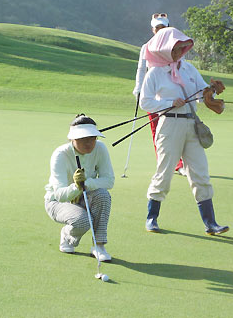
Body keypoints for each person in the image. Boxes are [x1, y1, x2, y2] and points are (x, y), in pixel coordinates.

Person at [139, 27, 229, 235]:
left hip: (191, 125)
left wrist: (212, 90)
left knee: (201, 174)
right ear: (163, 48)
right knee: (164, 173)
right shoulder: (154, 73)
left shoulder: (188, 69)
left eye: (181, 48)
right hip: (169, 125)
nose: (179, 52)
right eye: (174, 48)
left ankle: (211, 224)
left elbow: (201, 94)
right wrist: (170, 102)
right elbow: (145, 102)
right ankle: (151, 218)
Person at [44, 114, 115, 261]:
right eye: (83, 139)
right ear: (72, 139)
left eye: (92, 138)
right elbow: (60, 195)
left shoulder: (100, 149)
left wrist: (87, 183)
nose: (88, 143)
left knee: (103, 195)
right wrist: (76, 186)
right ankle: (67, 236)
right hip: (57, 203)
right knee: (83, 220)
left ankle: (99, 246)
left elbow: (109, 181)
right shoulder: (61, 154)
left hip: (86, 196)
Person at [132, 13, 186, 176]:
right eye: (157, 28)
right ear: (152, 29)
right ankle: (164, 163)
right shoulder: (146, 47)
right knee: (157, 132)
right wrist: (138, 89)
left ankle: (180, 164)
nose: (160, 30)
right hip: (154, 95)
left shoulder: (175, 47)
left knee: (177, 130)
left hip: (173, 95)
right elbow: (141, 69)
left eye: (163, 27)